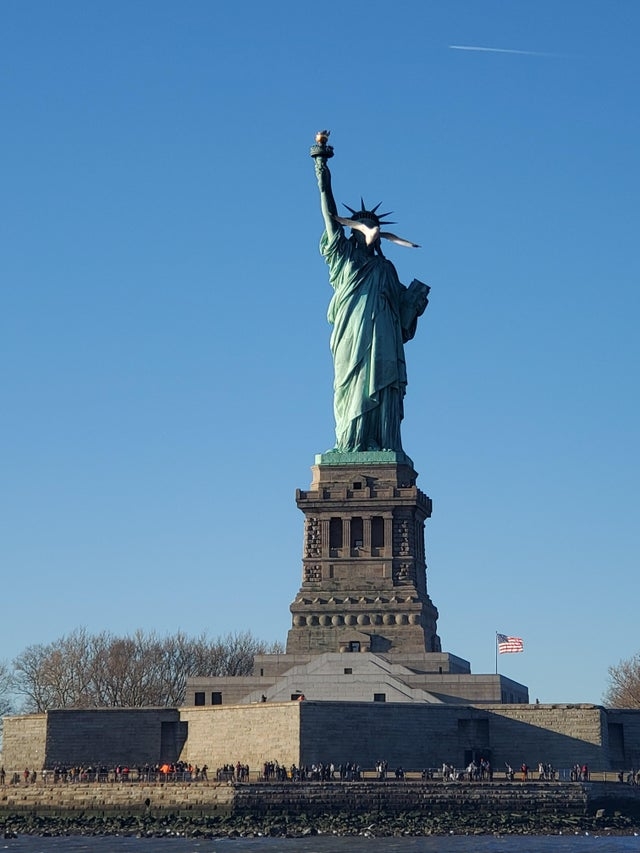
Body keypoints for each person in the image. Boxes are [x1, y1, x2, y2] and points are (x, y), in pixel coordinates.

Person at [313, 145, 430, 453]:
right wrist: (321, 167)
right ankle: (351, 444)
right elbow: (329, 214)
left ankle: (384, 442)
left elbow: (403, 325)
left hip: (385, 338)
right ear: (352, 231)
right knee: (351, 388)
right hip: (351, 336)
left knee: (384, 384)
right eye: (364, 226)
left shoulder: (386, 268)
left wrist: (415, 304)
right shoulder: (342, 258)